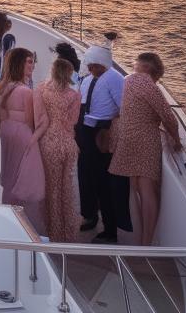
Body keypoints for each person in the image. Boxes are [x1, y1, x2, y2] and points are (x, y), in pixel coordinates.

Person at [109, 51, 181, 245]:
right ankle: (146, 241)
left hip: (126, 138)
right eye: (158, 78)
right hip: (145, 140)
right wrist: (176, 140)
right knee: (147, 189)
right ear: (152, 71)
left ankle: (137, 237)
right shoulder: (149, 86)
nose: (157, 82)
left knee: (134, 189)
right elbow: (169, 118)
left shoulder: (126, 80)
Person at [0, 47, 45, 233]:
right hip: (21, 132)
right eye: (28, 61)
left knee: (11, 173)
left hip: (7, 131)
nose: (32, 65)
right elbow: (30, 120)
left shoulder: (5, 87)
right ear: (19, 64)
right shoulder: (25, 91)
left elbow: (2, 115)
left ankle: (9, 215)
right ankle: (23, 221)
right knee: (24, 175)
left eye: (32, 61)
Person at [77, 43, 131, 241]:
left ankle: (110, 230)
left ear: (103, 63)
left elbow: (122, 107)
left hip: (102, 131)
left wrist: (108, 129)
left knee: (103, 182)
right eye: (89, 65)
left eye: (93, 65)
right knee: (85, 176)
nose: (90, 69)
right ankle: (89, 214)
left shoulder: (115, 79)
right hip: (84, 129)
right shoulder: (89, 78)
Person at [32, 57, 81, 242]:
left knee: (51, 188)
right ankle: (66, 230)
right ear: (68, 73)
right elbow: (72, 122)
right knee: (65, 187)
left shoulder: (41, 90)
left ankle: (53, 230)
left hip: (49, 142)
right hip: (67, 143)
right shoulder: (74, 95)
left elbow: (38, 118)